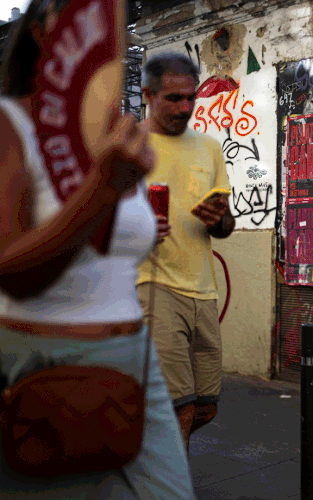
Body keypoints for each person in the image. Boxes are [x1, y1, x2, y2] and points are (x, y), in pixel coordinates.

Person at [0, 1, 194, 498]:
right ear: (44, 34)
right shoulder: (11, 124)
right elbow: (12, 271)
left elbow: (113, 249)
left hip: (133, 357)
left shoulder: (117, 134)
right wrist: (104, 187)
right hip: (44, 358)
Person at [136, 53, 235, 452]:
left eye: (190, 98)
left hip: (203, 291)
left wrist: (219, 219)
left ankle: (137, 458)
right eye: (174, 98)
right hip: (151, 285)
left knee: (205, 407)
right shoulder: (128, 146)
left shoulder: (209, 149)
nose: (185, 108)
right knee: (178, 407)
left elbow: (227, 225)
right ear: (147, 95)